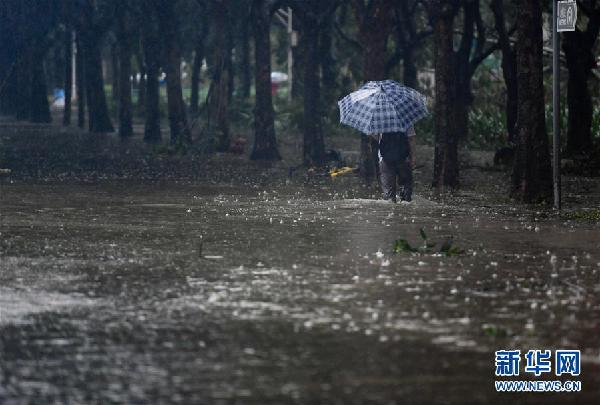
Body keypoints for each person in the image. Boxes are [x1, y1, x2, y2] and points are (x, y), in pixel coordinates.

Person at [377, 127, 416, 203]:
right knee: (406, 188)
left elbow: (373, 135)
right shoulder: (405, 118)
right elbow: (411, 138)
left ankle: (391, 207)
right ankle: (405, 208)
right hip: (403, 158)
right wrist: (413, 157)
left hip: (385, 159)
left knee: (388, 194)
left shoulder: (380, 119)